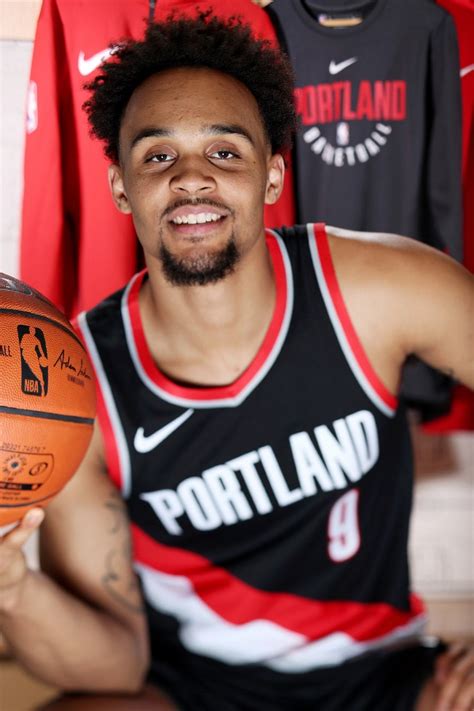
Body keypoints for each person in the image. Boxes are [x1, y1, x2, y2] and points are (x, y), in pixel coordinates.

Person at [1, 11, 473, 711]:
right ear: (121, 187)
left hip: (383, 671)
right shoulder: (80, 382)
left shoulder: (380, 287)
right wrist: (12, 587)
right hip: (190, 686)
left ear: (275, 177)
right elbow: (116, 663)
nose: (192, 179)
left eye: (224, 153)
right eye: (158, 156)